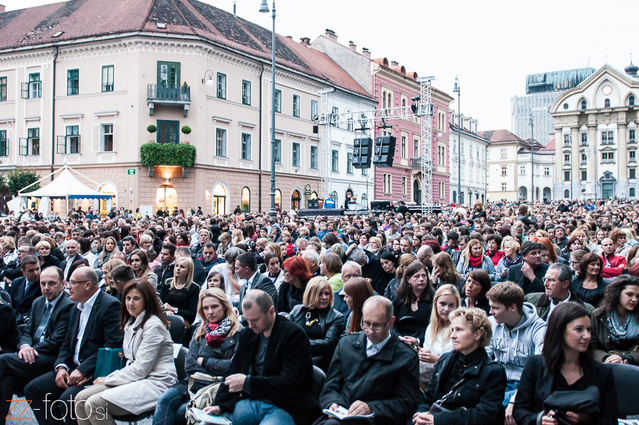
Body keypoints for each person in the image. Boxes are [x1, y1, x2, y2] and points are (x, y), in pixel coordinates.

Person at [205, 289, 321, 425]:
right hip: (255, 401)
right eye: (247, 320)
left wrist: (248, 383)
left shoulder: (294, 335)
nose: (250, 325)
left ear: (271, 312)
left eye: (255, 320)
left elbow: (290, 384)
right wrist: (221, 405)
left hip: (288, 407)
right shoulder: (248, 334)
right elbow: (234, 370)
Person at [23, 267, 123, 425]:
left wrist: (83, 369)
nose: (68, 286)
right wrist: (61, 366)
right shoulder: (76, 307)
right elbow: (66, 343)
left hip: (94, 371)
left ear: (87, 285)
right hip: (71, 367)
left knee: (68, 399)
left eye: (73, 283)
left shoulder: (109, 306)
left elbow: (112, 346)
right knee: (34, 390)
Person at [74, 279, 177, 425]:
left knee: (94, 404)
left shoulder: (154, 325)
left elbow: (141, 369)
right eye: (128, 298)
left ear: (147, 301)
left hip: (156, 382)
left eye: (136, 298)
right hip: (136, 378)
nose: (130, 303)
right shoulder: (131, 321)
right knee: (80, 399)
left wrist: (108, 379)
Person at [317, 296, 420, 425]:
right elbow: (330, 386)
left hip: (377, 420)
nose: (370, 331)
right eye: (366, 324)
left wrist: (371, 408)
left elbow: (407, 403)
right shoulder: (346, 344)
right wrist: (333, 403)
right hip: (341, 416)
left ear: (391, 322)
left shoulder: (406, 357)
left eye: (377, 326)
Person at [513, 302, 617, 425]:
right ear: (560, 331)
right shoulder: (535, 365)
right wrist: (540, 419)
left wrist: (587, 420)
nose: (587, 336)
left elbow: (610, 420)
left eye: (589, 330)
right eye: (579, 329)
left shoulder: (601, 372)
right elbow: (520, 410)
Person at [154, 288, 241, 425]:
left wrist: (204, 361)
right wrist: (217, 364)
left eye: (214, 306)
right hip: (192, 382)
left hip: (216, 386)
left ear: (225, 307)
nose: (210, 312)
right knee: (164, 401)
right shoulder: (199, 330)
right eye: (206, 308)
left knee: (181, 413)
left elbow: (233, 367)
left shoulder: (238, 333)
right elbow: (189, 365)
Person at [0, 267, 75, 425]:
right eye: (43, 284)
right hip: (31, 353)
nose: (46, 288)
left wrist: (31, 349)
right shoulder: (38, 302)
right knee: (7, 378)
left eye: (51, 283)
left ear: (63, 284)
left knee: (3, 361)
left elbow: (57, 340)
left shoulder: (69, 306)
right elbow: (27, 332)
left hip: (51, 357)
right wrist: (25, 346)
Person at [413, 307, 507, 425]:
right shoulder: (445, 361)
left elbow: (485, 415)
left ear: (477, 334)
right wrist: (421, 414)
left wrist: (440, 420)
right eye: (452, 330)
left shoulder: (493, 371)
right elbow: (429, 398)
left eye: (459, 330)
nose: (452, 335)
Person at [485, 281, 546, 423]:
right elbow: (484, 357)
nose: (490, 312)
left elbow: (539, 369)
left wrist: (514, 399)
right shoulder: (492, 323)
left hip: (526, 386)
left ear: (512, 307)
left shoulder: (539, 329)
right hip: (499, 381)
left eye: (495, 308)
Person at [289, 277, 345, 371]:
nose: (324, 297)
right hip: (294, 359)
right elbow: (287, 335)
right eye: (320, 294)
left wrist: (300, 343)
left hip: (320, 363)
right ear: (310, 294)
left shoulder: (336, 317)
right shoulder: (297, 310)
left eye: (327, 294)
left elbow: (329, 344)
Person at [418, 284, 461, 387]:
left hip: (453, 380)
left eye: (451, 305)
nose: (446, 309)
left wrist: (437, 359)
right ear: (435, 304)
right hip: (432, 378)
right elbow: (428, 351)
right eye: (442, 304)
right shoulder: (430, 328)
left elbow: (462, 363)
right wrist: (424, 354)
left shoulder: (461, 329)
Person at [591, 275, 639, 365]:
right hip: (606, 364)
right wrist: (606, 358)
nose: (634, 299)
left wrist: (627, 358)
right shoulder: (599, 315)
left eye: (637, 296)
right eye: (629, 294)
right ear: (617, 293)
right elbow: (592, 347)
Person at [525, 263, 593, 321]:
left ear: (565, 284)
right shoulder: (531, 300)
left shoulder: (585, 310)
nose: (545, 284)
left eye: (551, 280)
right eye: (545, 279)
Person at [392, 261, 435, 339]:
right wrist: (399, 337)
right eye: (417, 276)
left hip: (424, 341)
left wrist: (418, 340)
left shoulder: (433, 298)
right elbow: (391, 322)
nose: (421, 279)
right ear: (408, 279)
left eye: (424, 276)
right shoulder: (399, 297)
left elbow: (434, 326)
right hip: (401, 340)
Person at [160, 256, 200, 326]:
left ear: (188, 270)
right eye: (177, 266)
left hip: (182, 321)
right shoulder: (167, 283)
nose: (178, 269)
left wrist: (174, 310)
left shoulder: (194, 288)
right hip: (165, 316)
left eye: (182, 267)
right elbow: (160, 303)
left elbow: (192, 314)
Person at [9, 255, 41, 324]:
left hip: (30, 321)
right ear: (23, 272)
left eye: (37, 269)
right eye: (31, 271)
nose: (35, 273)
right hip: (15, 319)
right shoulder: (17, 282)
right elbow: (12, 304)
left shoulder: (43, 285)